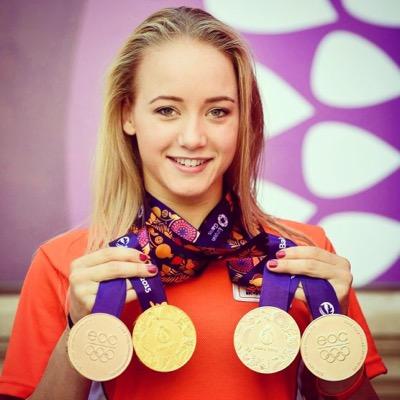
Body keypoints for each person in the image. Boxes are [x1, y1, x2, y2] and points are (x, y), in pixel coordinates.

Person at [0, 6, 386, 400]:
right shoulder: (67, 264)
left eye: (218, 111)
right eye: (167, 110)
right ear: (128, 114)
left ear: (243, 120)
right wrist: (77, 331)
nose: (193, 137)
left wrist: (334, 329)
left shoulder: (306, 254)